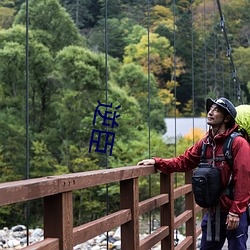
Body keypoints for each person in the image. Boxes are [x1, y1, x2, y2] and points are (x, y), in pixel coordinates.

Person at [137, 97, 250, 250]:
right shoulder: (205, 143)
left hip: (233, 211)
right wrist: (157, 162)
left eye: (216, 110)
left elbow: (244, 178)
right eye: (210, 109)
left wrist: (236, 212)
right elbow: (184, 161)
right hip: (213, 211)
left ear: (227, 118)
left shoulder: (238, 143)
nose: (210, 112)